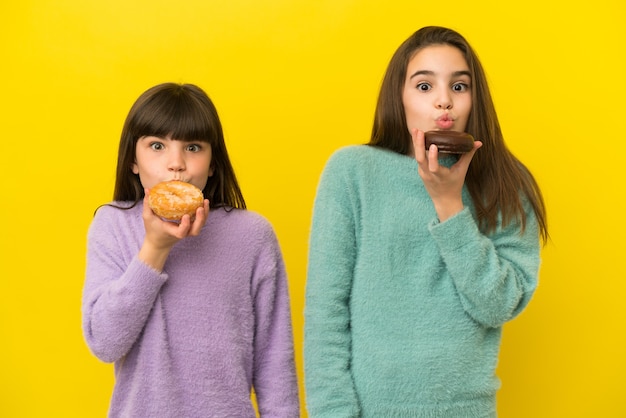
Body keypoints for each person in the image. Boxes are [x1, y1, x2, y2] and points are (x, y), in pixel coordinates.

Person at [304, 26, 548, 417]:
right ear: (398, 97)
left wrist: (449, 204)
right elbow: (326, 313)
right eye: (423, 86)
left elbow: (499, 305)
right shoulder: (352, 172)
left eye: (459, 86)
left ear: (475, 98)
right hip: (368, 409)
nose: (443, 101)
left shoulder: (505, 183)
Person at [82, 82, 299, 418]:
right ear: (133, 162)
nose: (176, 164)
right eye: (157, 145)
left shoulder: (253, 236)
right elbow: (104, 342)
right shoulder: (113, 225)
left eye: (193, 147)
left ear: (213, 163)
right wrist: (154, 248)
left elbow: (275, 363)